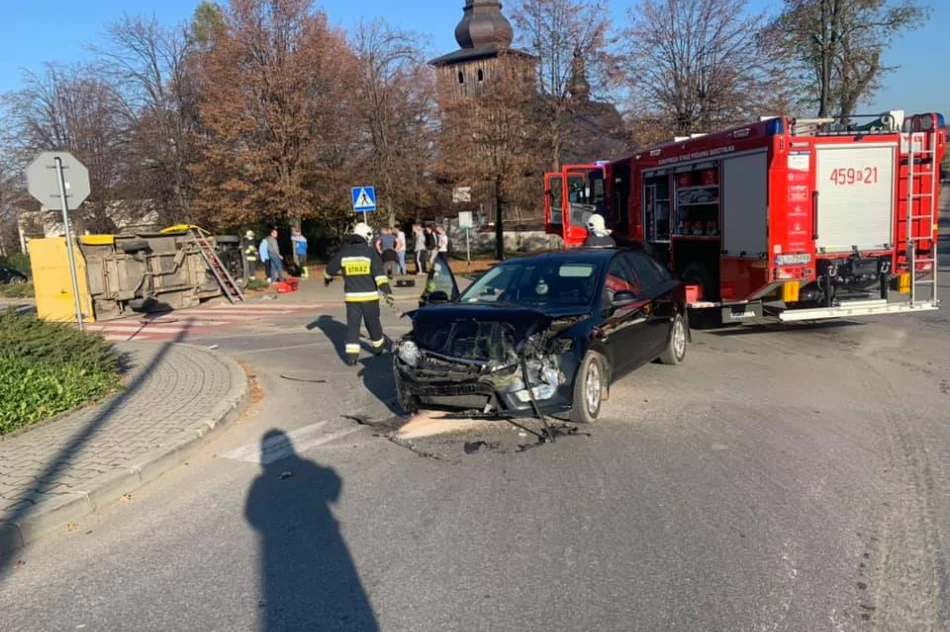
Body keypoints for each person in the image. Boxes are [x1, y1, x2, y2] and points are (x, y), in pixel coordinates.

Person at [324, 222, 394, 366]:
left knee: (353, 326)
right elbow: (379, 275)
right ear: (366, 236)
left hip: (352, 299)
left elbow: (330, 268)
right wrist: (387, 292)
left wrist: (327, 277)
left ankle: (351, 357)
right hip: (370, 298)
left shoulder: (345, 252)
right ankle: (378, 347)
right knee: (373, 324)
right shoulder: (370, 253)